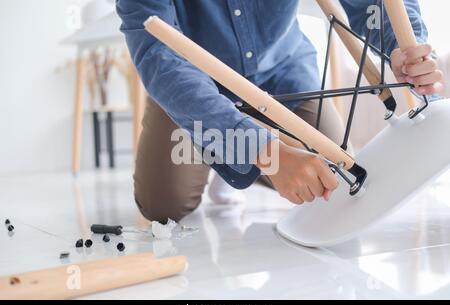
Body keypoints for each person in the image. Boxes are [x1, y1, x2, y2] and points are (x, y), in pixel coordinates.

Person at [116, 0, 443, 222]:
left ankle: (236, 163)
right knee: (163, 205)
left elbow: (369, 4)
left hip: (283, 76)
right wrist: (263, 151)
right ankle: (234, 154)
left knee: (335, 185)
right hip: (192, 87)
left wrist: (401, 45)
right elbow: (159, 55)